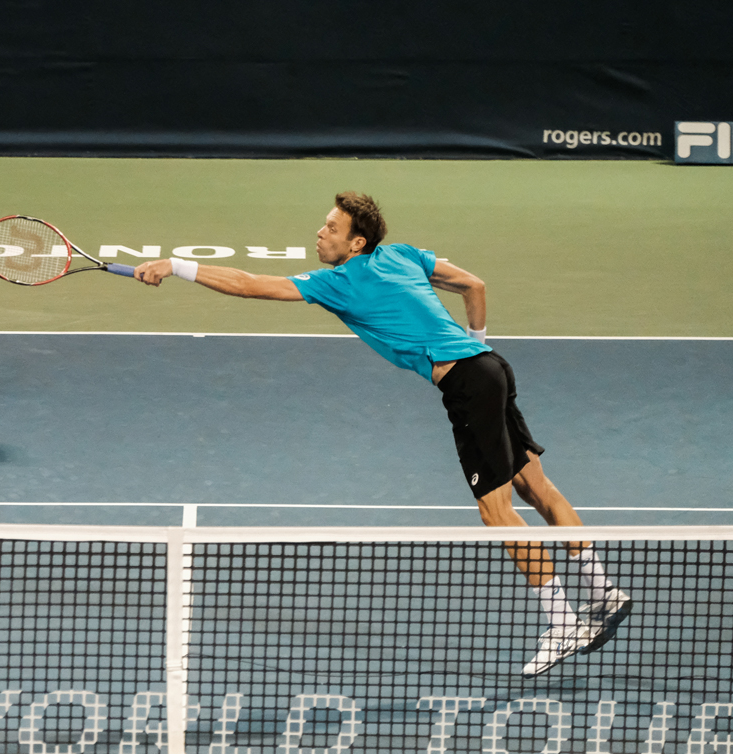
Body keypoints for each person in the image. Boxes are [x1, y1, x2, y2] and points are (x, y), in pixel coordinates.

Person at [133, 191, 631, 678]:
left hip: (467, 385)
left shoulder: (339, 283)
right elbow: (474, 286)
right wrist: (475, 349)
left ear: (355, 243)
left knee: (496, 512)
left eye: (331, 228)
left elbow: (248, 284)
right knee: (535, 487)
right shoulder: (402, 255)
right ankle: (603, 592)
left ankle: (563, 624)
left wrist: (176, 266)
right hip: (493, 368)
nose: (320, 232)